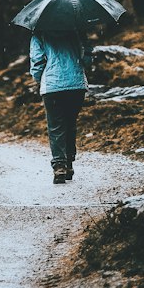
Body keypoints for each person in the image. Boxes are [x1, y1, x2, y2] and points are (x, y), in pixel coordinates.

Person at [29, 30, 89, 184]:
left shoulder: (40, 33)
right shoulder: (76, 30)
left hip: (52, 86)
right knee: (70, 123)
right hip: (76, 85)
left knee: (56, 126)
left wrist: (39, 78)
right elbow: (87, 56)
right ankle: (69, 163)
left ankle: (59, 166)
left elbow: (37, 61)